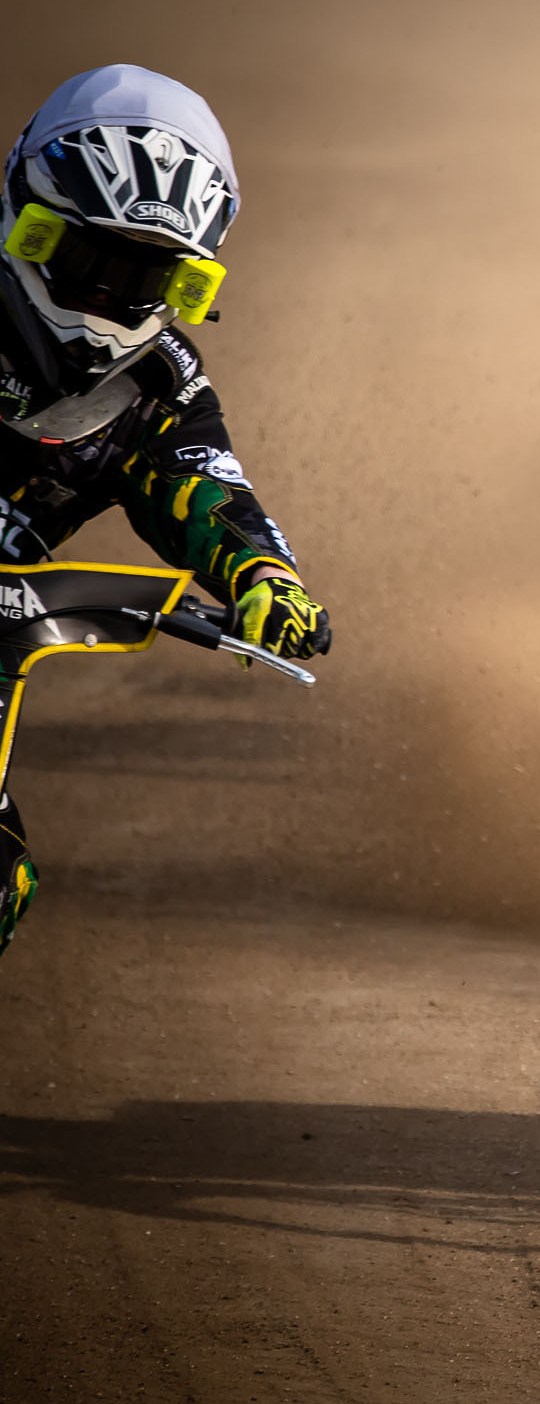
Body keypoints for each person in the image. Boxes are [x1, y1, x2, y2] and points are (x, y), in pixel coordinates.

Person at [0, 64, 331, 957]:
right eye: (90, 262)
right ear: (24, 219)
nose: (108, 300)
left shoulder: (158, 389)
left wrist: (266, 576)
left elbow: (206, 487)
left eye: (145, 279)